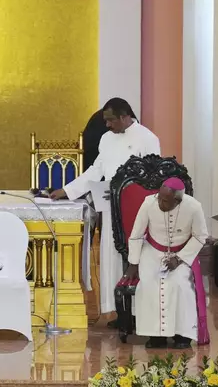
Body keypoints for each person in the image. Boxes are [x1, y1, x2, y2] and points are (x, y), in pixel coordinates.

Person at [49, 98, 160, 322]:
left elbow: (152, 176)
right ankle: (119, 310)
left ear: (124, 116)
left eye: (110, 120)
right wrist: (67, 190)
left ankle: (139, 313)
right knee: (110, 256)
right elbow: (96, 169)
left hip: (136, 210)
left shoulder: (147, 138)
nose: (107, 125)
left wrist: (126, 191)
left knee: (136, 257)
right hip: (110, 208)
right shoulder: (106, 139)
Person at [124, 178, 209, 349]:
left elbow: (201, 236)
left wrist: (179, 259)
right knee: (148, 284)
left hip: (182, 254)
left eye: (165, 201)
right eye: (159, 198)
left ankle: (182, 334)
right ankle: (155, 336)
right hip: (152, 252)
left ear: (177, 200)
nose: (160, 203)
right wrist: (133, 263)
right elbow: (136, 235)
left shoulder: (193, 207)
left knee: (180, 284)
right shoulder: (149, 203)